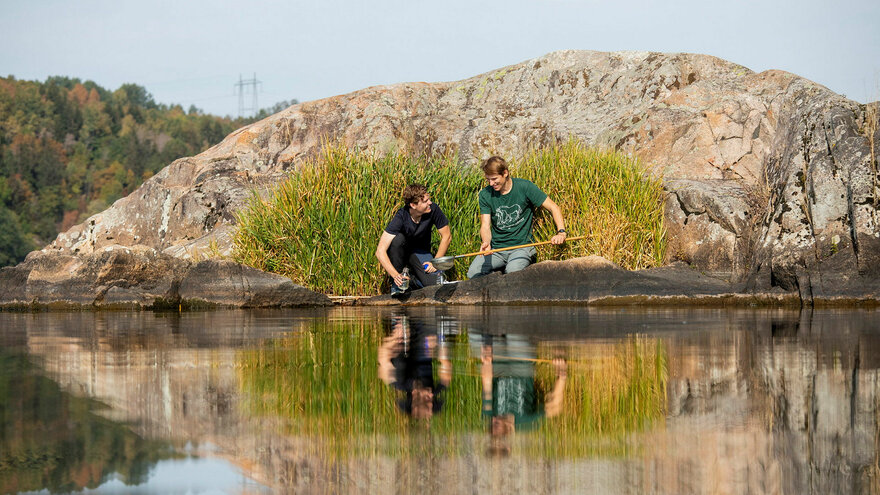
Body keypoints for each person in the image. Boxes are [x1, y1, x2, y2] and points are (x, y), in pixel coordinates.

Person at [466, 156, 567, 279]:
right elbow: (485, 225)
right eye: (488, 180)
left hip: (522, 247)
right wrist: (486, 242)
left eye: (494, 179)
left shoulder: (524, 187)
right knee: (473, 273)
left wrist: (561, 232)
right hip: (497, 249)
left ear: (505, 173)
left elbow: (553, 207)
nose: (491, 183)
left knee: (512, 273)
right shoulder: (485, 194)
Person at [375, 184, 452, 295]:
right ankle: (397, 284)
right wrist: (395, 275)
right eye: (425, 201)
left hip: (420, 252)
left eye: (429, 199)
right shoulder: (401, 216)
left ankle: (413, 281)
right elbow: (380, 251)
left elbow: (447, 236)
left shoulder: (433, 209)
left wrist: (436, 262)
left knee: (434, 284)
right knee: (397, 239)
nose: (430, 202)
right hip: (401, 254)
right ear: (413, 205)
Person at [377, 311, 452, 421]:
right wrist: (439, 343)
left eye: (426, 399)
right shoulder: (436, 389)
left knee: (400, 360)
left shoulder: (396, 382)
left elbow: (382, 357)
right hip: (424, 349)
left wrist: (395, 338)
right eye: (432, 399)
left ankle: (399, 318)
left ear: (414, 396)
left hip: (402, 343)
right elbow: (446, 364)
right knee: (429, 338)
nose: (431, 396)